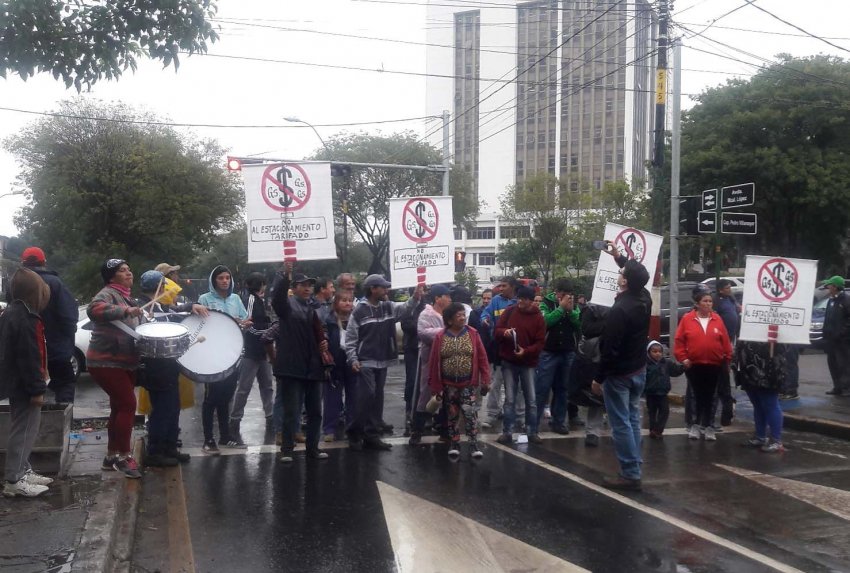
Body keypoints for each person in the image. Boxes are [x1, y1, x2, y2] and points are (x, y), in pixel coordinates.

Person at [591, 244, 651, 491]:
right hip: (638, 370)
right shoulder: (643, 297)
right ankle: (634, 465)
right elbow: (635, 277)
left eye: (622, 271)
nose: (620, 273)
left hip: (620, 375)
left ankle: (630, 472)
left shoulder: (620, 310)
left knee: (621, 424)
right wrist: (617, 257)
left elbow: (610, 350)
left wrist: (599, 378)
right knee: (632, 420)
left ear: (624, 281)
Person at [136, 270, 207, 467]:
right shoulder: (142, 307)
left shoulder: (158, 305)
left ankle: (169, 447)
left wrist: (191, 306)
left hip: (168, 365)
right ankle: (156, 451)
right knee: (162, 410)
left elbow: (174, 312)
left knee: (173, 407)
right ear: (159, 287)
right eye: (164, 285)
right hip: (156, 367)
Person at [345, 274, 422, 451]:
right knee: (367, 396)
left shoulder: (388, 307)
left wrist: (416, 297)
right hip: (365, 360)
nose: (386, 290)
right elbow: (350, 338)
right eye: (383, 287)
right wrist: (353, 358)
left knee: (377, 397)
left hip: (383, 360)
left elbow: (405, 308)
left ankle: (372, 434)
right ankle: (354, 431)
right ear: (373, 289)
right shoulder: (359, 311)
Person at [86, 259, 144, 478]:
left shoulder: (124, 295)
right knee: (128, 404)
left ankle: (111, 456)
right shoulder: (108, 294)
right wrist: (126, 310)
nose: (129, 273)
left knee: (119, 407)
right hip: (106, 361)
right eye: (122, 271)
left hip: (121, 361)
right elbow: (94, 309)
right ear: (111, 277)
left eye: (129, 269)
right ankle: (123, 457)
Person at [0, 268, 53, 497]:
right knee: (24, 430)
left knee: (24, 428)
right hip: (24, 385)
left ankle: (23, 469)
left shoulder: (13, 312)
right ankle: (14, 479)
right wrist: (37, 389)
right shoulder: (25, 318)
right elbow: (29, 356)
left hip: (17, 382)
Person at [270, 266, 329, 463]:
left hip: (313, 367)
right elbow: (277, 297)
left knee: (315, 412)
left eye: (310, 285)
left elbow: (321, 331)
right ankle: (287, 449)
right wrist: (284, 275)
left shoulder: (314, 309)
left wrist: (324, 341)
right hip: (292, 368)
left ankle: (313, 448)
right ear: (293, 288)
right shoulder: (286, 306)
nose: (307, 288)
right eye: (303, 285)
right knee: (291, 412)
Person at [197, 265, 250, 454]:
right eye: (221, 278)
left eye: (227, 278)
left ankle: (225, 436)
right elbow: (201, 324)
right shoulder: (204, 299)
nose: (225, 281)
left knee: (226, 395)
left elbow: (244, 319)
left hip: (233, 353)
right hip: (212, 354)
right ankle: (208, 439)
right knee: (211, 397)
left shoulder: (236, 299)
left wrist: (243, 322)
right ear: (214, 280)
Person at [427, 302, 491, 459]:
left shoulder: (473, 334)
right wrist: (435, 386)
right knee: (452, 415)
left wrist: (486, 380)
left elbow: (482, 358)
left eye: (463, 314)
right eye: (458, 315)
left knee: (470, 415)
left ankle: (473, 444)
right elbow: (434, 362)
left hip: (468, 384)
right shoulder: (440, 336)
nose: (463, 318)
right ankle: (454, 443)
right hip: (449, 386)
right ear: (449, 320)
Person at [19, 247, 78, 404]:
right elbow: (69, 316)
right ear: (44, 262)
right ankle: (61, 426)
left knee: (28, 393)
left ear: (23, 263)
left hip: (26, 351)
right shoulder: (55, 283)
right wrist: (66, 342)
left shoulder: (16, 285)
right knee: (64, 386)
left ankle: (32, 426)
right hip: (56, 351)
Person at [674, 289, 733, 442]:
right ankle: (694, 425)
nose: (708, 304)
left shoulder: (717, 319)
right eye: (705, 301)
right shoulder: (687, 319)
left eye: (710, 301)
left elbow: (725, 341)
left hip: (714, 365)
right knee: (695, 396)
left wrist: (727, 358)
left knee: (711, 397)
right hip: (694, 365)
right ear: (697, 304)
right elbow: (679, 341)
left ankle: (709, 426)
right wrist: (683, 358)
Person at [494, 285, 545, 444]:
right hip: (509, 361)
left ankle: (532, 431)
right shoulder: (509, 311)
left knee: (531, 399)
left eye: (524, 299)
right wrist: (505, 333)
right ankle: (507, 431)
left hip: (528, 363)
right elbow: (497, 331)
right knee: (510, 398)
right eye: (519, 298)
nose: (520, 301)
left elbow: (540, 342)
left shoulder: (538, 318)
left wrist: (527, 351)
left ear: (531, 301)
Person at [228, 272, 275, 446]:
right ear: (261, 284)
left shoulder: (258, 300)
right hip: (252, 350)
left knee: (266, 385)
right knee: (245, 387)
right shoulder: (251, 300)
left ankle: (270, 417)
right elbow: (248, 324)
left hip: (262, 349)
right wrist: (268, 334)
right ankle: (235, 419)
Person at [536, 278, 580, 435]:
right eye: (564, 294)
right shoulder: (545, 303)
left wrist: (571, 311)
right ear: (558, 292)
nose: (567, 297)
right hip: (548, 352)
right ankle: (533, 423)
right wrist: (561, 309)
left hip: (567, 351)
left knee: (563, 389)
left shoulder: (573, 305)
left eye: (569, 294)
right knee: (542, 387)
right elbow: (544, 322)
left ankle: (559, 421)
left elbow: (578, 324)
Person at [409, 284, 453, 445]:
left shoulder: (450, 314)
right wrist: (446, 333)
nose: (449, 299)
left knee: (447, 396)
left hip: (448, 361)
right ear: (437, 298)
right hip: (429, 361)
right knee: (425, 395)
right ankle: (417, 430)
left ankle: (444, 430)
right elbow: (423, 333)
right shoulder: (426, 314)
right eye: (446, 296)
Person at [734, 340, 788, 453]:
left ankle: (776, 440)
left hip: (769, 368)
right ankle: (760, 436)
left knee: (770, 403)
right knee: (757, 403)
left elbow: (784, 345)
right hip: (749, 367)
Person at [480, 277, 519, 427]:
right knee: (496, 382)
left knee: (515, 385)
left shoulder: (519, 301)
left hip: (516, 350)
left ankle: (513, 415)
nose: (501, 288)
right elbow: (486, 314)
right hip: (498, 348)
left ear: (513, 287)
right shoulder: (496, 300)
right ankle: (492, 414)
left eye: (504, 286)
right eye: (500, 286)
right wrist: (485, 320)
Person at [570, 302, 608, 447]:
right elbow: (587, 329)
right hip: (597, 357)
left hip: (622, 357)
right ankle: (593, 431)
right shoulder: (592, 308)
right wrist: (611, 324)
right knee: (596, 395)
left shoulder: (629, 304)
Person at [322, 292, 357, 442]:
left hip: (352, 361)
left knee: (353, 396)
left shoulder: (356, 319)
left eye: (350, 300)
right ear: (336, 303)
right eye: (344, 300)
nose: (347, 303)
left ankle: (352, 427)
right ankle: (329, 429)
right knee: (332, 398)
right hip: (334, 362)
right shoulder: (328, 320)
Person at [713, 279, 740, 426]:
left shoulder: (731, 299)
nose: (730, 289)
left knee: (725, 380)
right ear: (720, 290)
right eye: (727, 287)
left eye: (730, 287)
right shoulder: (716, 301)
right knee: (720, 381)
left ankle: (727, 414)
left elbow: (737, 310)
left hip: (731, 341)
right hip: (720, 345)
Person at [399, 288, 426, 436]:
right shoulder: (408, 308)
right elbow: (406, 325)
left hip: (426, 348)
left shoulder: (428, 306)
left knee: (426, 382)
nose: (423, 293)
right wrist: (422, 325)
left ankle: (424, 412)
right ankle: (410, 408)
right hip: (412, 348)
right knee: (411, 381)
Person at [644, 340, 684, 439]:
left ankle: (658, 430)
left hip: (663, 393)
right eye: (654, 351)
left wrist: (684, 367)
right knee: (652, 412)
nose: (658, 354)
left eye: (659, 351)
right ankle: (653, 430)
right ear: (649, 352)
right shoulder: (645, 364)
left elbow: (675, 371)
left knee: (664, 411)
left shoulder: (666, 363)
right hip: (650, 393)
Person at [820, 275, 850, 397]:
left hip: (842, 341)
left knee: (843, 364)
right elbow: (828, 318)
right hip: (830, 340)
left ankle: (846, 388)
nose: (828, 287)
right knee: (832, 363)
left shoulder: (846, 300)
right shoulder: (831, 300)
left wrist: (842, 333)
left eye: (830, 285)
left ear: (836, 287)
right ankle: (837, 386)